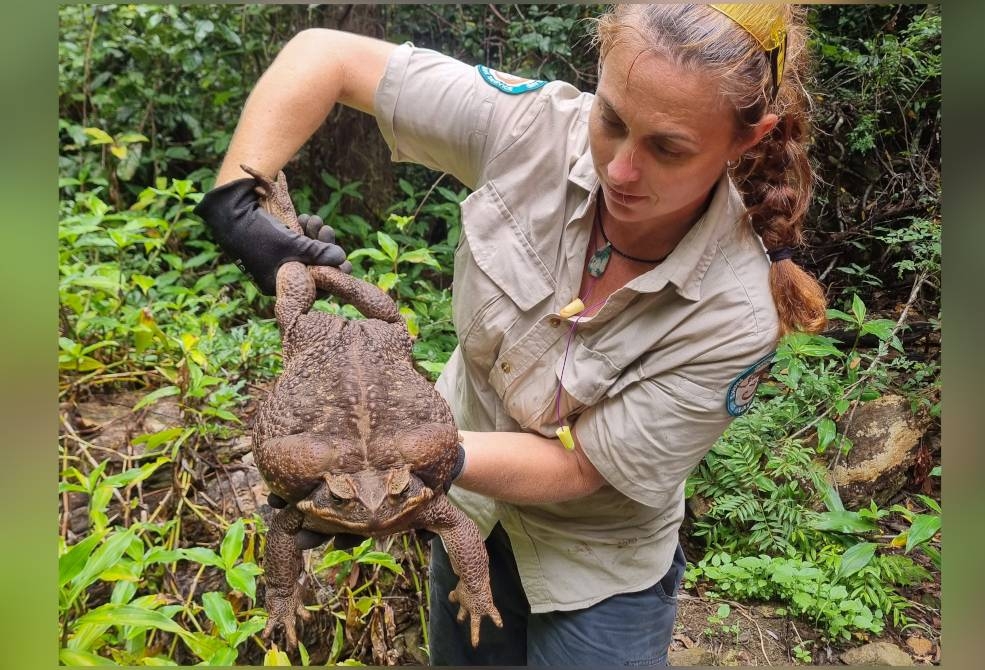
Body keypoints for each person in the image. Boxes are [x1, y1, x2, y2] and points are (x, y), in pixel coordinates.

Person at [194, 3, 827, 665]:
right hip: (468, 517)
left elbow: (582, 464)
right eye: (610, 119)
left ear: (746, 140)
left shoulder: (737, 311)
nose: (619, 168)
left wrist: (397, 464)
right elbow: (326, 55)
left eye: (667, 148)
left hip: (595, 567)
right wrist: (237, 205)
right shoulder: (534, 128)